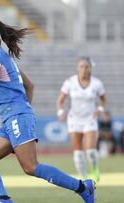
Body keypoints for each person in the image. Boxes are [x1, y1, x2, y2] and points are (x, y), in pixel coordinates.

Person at [0, 19, 95, 203]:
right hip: (12, 119)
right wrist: (22, 109)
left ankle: (84, 187)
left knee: (31, 167)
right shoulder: (5, 58)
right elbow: (29, 86)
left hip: (17, 117)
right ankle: (3, 199)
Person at [57, 56, 106, 184]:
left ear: (90, 68)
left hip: (90, 119)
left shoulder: (97, 83)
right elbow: (60, 100)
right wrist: (61, 112)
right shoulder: (70, 82)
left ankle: (95, 169)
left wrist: (100, 109)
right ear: (77, 68)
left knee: (90, 151)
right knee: (78, 153)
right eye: (81, 66)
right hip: (74, 119)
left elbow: (103, 99)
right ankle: (84, 180)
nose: (84, 69)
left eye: (86, 66)